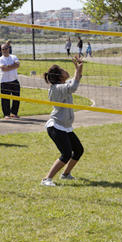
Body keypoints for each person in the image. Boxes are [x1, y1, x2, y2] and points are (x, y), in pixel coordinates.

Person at [41, 56, 85, 186]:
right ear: (60, 76)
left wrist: (78, 68)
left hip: (64, 126)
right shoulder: (57, 88)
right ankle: (46, 179)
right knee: (66, 154)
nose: (66, 71)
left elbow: (75, 80)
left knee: (78, 150)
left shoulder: (61, 86)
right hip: (56, 126)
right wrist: (78, 69)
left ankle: (65, 174)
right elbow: (73, 86)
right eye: (63, 70)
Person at [0, 44, 21, 118]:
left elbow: (17, 65)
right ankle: (6, 114)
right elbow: (3, 68)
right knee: (5, 99)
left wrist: (8, 67)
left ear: (9, 49)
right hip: (4, 81)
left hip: (14, 80)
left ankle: (14, 113)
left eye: (6, 48)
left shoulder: (14, 57)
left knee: (16, 98)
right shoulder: (0, 59)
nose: (4, 50)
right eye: (2, 49)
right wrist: (12, 66)